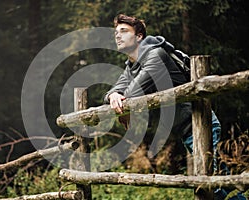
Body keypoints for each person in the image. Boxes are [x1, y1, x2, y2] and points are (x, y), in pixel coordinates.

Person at [103, 14, 246, 200]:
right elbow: (116, 90)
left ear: (139, 36)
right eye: (116, 32)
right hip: (187, 130)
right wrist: (113, 95)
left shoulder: (156, 55)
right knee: (222, 184)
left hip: (200, 124)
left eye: (123, 31)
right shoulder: (131, 66)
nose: (117, 36)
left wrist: (124, 102)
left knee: (213, 188)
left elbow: (133, 91)